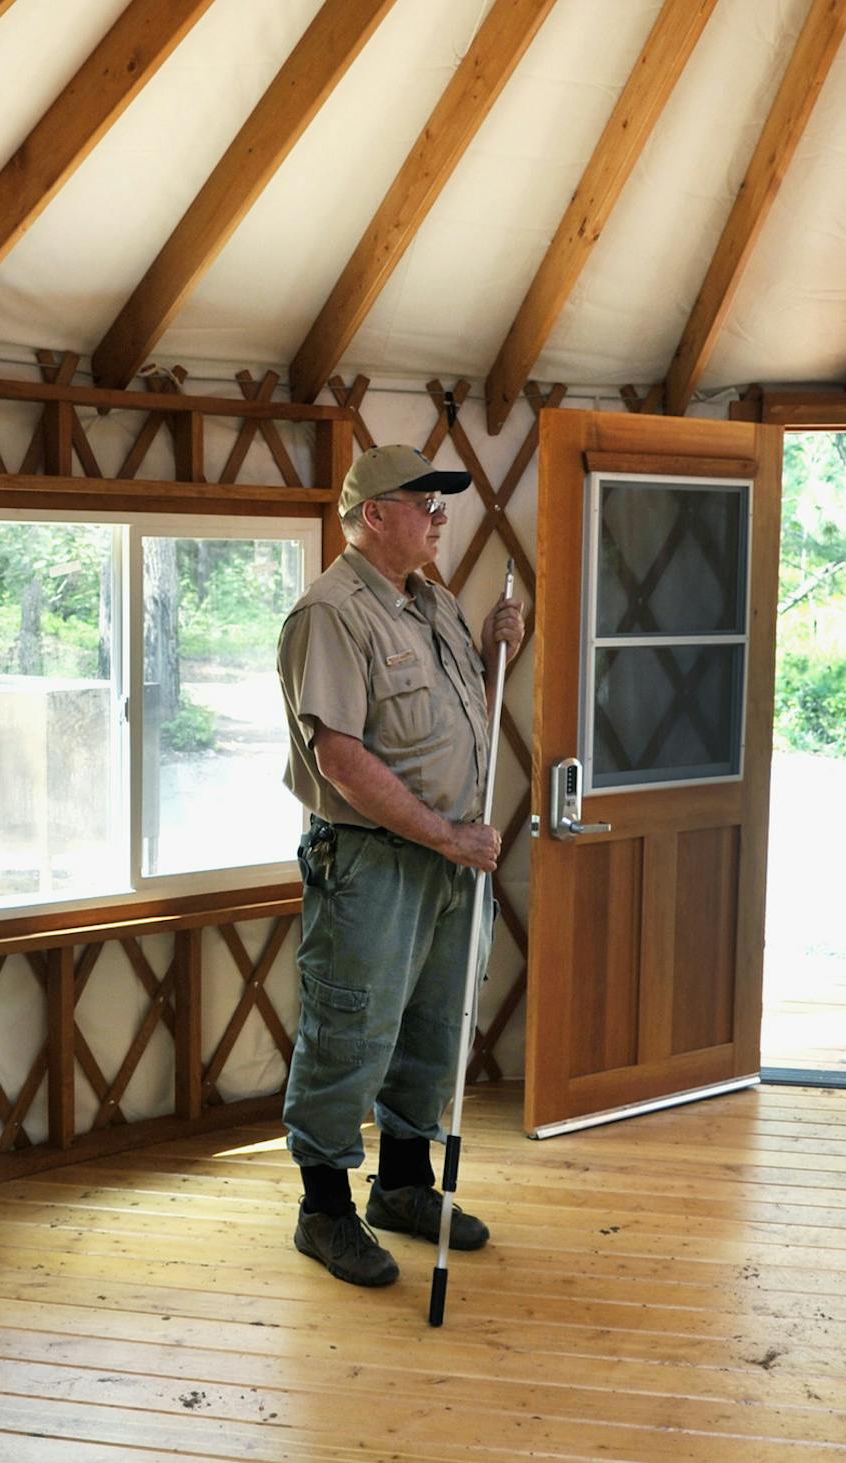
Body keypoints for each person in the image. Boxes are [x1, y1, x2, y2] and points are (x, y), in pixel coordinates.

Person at [275, 443, 525, 1286]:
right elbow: (340, 754)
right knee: (351, 1027)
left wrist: (499, 651)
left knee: (436, 1024)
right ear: (375, 514)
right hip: (374, 863)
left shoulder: (435, 604)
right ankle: (325, 1210)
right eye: (427, 502)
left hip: (451, 859)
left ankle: (404, 1187)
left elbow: (451, 719)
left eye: (445, 503)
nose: (442, 516)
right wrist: (446, 836)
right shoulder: (331, 613)